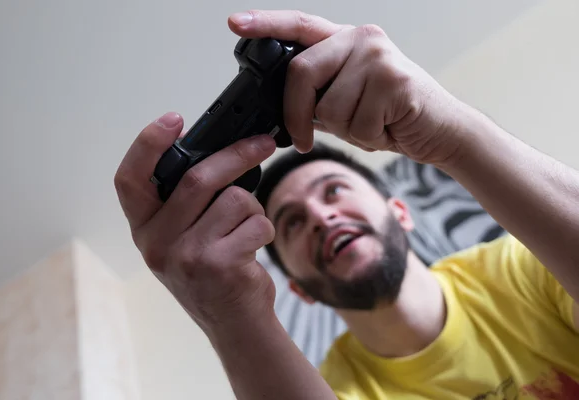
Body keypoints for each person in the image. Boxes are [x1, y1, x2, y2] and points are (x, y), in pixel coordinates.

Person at [114, 9, 579, 400]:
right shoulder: (334, 389)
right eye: (293, 224)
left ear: (400, 211)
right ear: (300, 290)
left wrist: (453, 138)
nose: (320, 216)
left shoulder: (525, 272)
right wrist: (230, 313)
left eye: (334, 190)